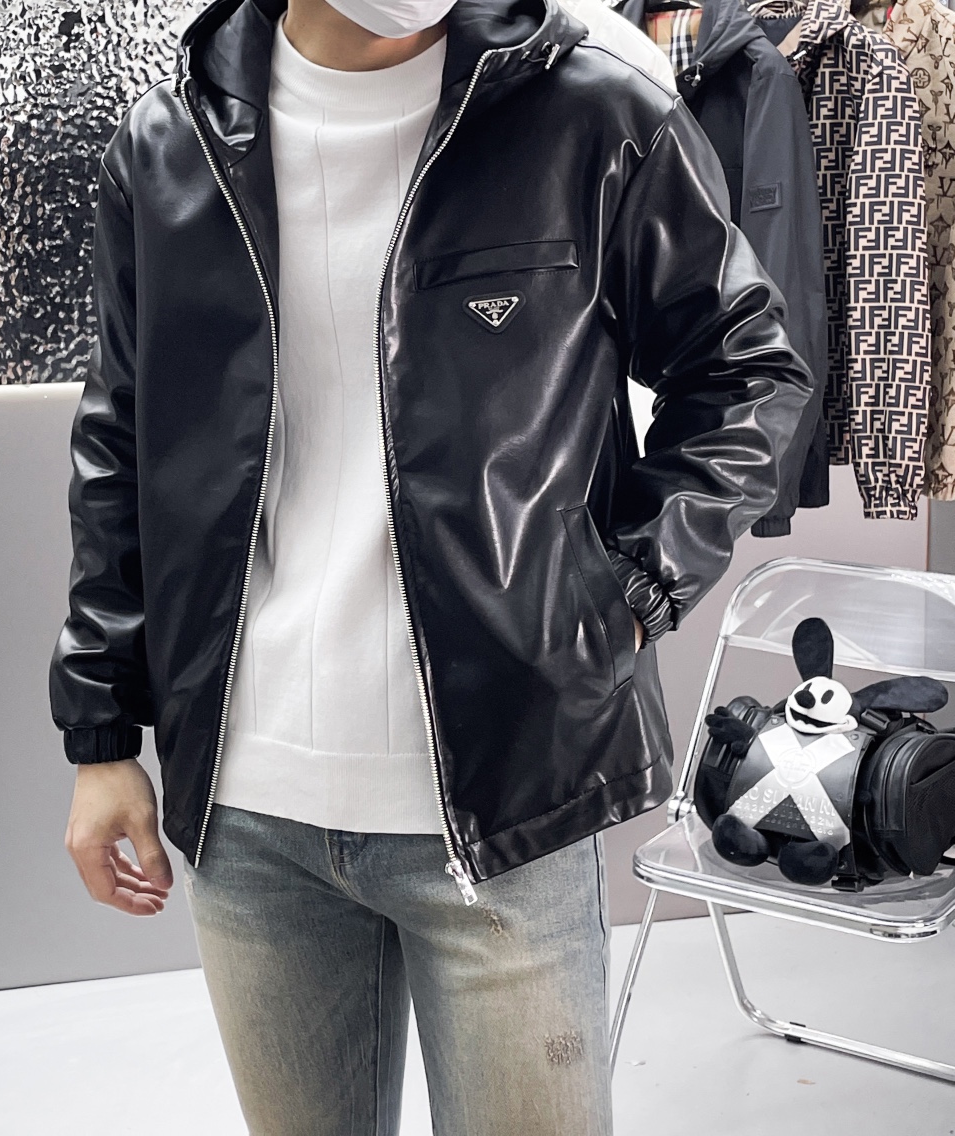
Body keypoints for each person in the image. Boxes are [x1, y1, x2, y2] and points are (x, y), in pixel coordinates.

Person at [49, 0, 812, 1129]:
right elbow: (122, 441)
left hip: (504, 797)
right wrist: (102, 735)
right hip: (249, 814)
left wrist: (629, 591)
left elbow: (748, 369)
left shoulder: (591, 113)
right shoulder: (169, 145)